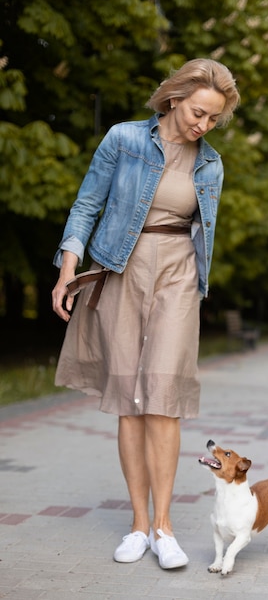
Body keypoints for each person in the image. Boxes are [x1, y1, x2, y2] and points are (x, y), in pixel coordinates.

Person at [51, 59, 240, 569]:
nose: (204, 125)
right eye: (199, 112)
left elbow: (203, 231)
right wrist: (67, 269)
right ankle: (139, 525)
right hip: (121, 268)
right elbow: (87, 205)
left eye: (214, 119)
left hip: (177, 273)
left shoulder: (211, 163)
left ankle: (165, 528)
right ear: (175, 98)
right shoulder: (124, 140)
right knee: (130, 399)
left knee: (165, 395)